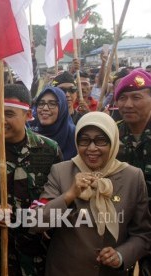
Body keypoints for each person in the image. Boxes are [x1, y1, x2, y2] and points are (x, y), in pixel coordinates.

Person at [32, 112, 151, 275]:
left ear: (113, 141)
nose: (92, 148)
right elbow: (37, 222)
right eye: (84, 141)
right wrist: (70, 194)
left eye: (101, 140)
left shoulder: (133, 177)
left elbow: (143, 234)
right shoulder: (61, 172)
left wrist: (121, 255)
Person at [0, 84, 62, 275]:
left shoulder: (49, 150)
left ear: (28, 115)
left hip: (39, 258)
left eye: (8, 113)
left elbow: (59, 199)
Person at [114, 69, 151, 274]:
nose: (127, 105)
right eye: (122, 98)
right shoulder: (110, 133)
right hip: (121, 231)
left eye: (136, 97)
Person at [31, 86, 77, 160]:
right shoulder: (29, 129)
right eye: (41, 103)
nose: (45, 108)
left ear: (62, 107)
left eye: (52, 104)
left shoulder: (73, 135)